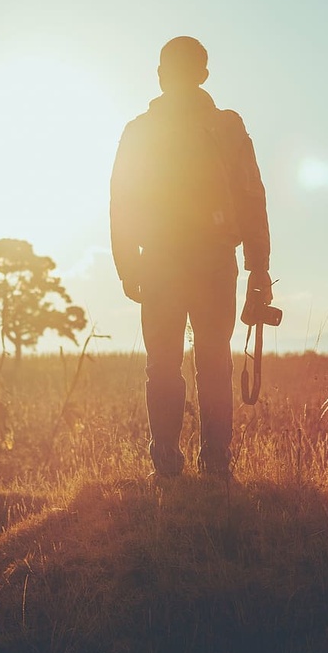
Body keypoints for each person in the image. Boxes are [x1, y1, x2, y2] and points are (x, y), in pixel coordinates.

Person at [110, 36, 272, 478]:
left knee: (161, 364)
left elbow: (120, 201)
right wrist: (260, 267)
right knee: (214, 360)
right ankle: (216, 466)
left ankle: (165, 463)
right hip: (215, 259)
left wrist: (128, 264)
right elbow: (252, 196)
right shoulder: (228, 126)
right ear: (204, 75)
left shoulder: (139, 130)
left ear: (161, 75)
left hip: (159, 260)